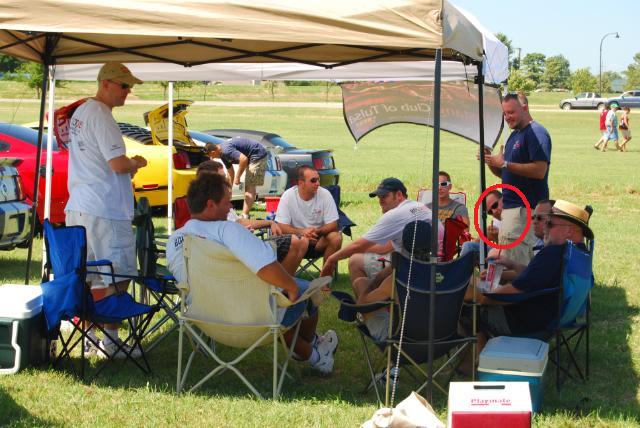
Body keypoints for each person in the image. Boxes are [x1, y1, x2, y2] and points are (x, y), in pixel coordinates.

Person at [166, 173, 338, 374]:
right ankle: (315, 354)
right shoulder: (227, 230)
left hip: (205, 319)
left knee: (291, 294)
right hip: (252, 319)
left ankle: (315, 345)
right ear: (211, 204)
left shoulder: (175, 241)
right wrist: (289, 287)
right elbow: (266, 266)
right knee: (305, 291)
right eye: (227, 202)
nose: (231, 208)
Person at [65, 62, 147, 358]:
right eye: (124, 85)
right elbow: (117, 164)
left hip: (82, 205)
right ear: (106, 84)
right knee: (117, 274)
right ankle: (111, 341)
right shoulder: (102, 115)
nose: (128, 91)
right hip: (105, 208)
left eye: (129, 86)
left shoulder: (82, 111)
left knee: (91, 276)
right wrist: (136, 162)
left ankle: (89, 338)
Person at [460, 199, 593, 368]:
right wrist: (513, 265)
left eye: (550, 223)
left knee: (464, 308)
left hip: (527, 324)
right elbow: (541, 278)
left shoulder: (552, 254)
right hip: (557, 318)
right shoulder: (579, 254)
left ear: (570, 231)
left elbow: (514, 292)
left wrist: (482, 297)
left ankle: (479, 360)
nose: (544, 226)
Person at [320, 177, 443, 286]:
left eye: (384, 196)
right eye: (379, 197)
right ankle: (375, 296)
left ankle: (366, 307)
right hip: (433, 265)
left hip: (414, 269)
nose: (380, 201)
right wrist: (362, 248)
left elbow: (359, 245)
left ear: (399, 195)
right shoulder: (416, 205)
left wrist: (331, 260)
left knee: (355, 260)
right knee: (380, 273)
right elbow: (387, 247)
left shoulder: (395, 215)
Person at [196, 159, 308, 275]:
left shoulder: (220, 200)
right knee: (294, 241)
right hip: (236, 256)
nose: (226, 180)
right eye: (222, 177)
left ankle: (281, 287)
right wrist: (239, 233)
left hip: (246, 248)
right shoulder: (206, 207)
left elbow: (239, 222)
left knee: (302, 241)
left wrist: (269, 223)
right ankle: (280, 288)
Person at [481, 91, 551, 266]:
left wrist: (504, 163)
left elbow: (539, 170)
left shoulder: (537, 133)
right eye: (504, 113)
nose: (507, 118)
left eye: (511, 112)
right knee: (507, 262)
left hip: (523, 212)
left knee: (516, 264)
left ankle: (516, 293)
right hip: (512, 213)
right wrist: (491, 161)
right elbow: (507, 175)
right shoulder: (515, 135)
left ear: (525, 108)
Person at [276, 166, 342, 266]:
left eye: (318, 180)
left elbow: (333, 224)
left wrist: (316, 232)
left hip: (318, 241)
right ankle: (286, 280)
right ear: (301, 183)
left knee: (336, 237)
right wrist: (302, 232)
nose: (318, 183)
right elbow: (281, 226)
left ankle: (325, 279)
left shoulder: (325, 194)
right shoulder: (288, 196)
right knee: (296, 240)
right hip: (296, 242)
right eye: (313, 180)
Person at [205, 137, 268, 218]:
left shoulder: (226, 150)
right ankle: (244, 214)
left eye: (211, 156)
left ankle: (244, 215)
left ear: (213, 151)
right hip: (251, 156)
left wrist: (238, 177)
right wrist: (229, 189)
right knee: (248, 187)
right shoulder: (222, 153)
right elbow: (230, 172)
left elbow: (243, 159)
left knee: (250, 187)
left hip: (257, 155)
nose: (212, 158)